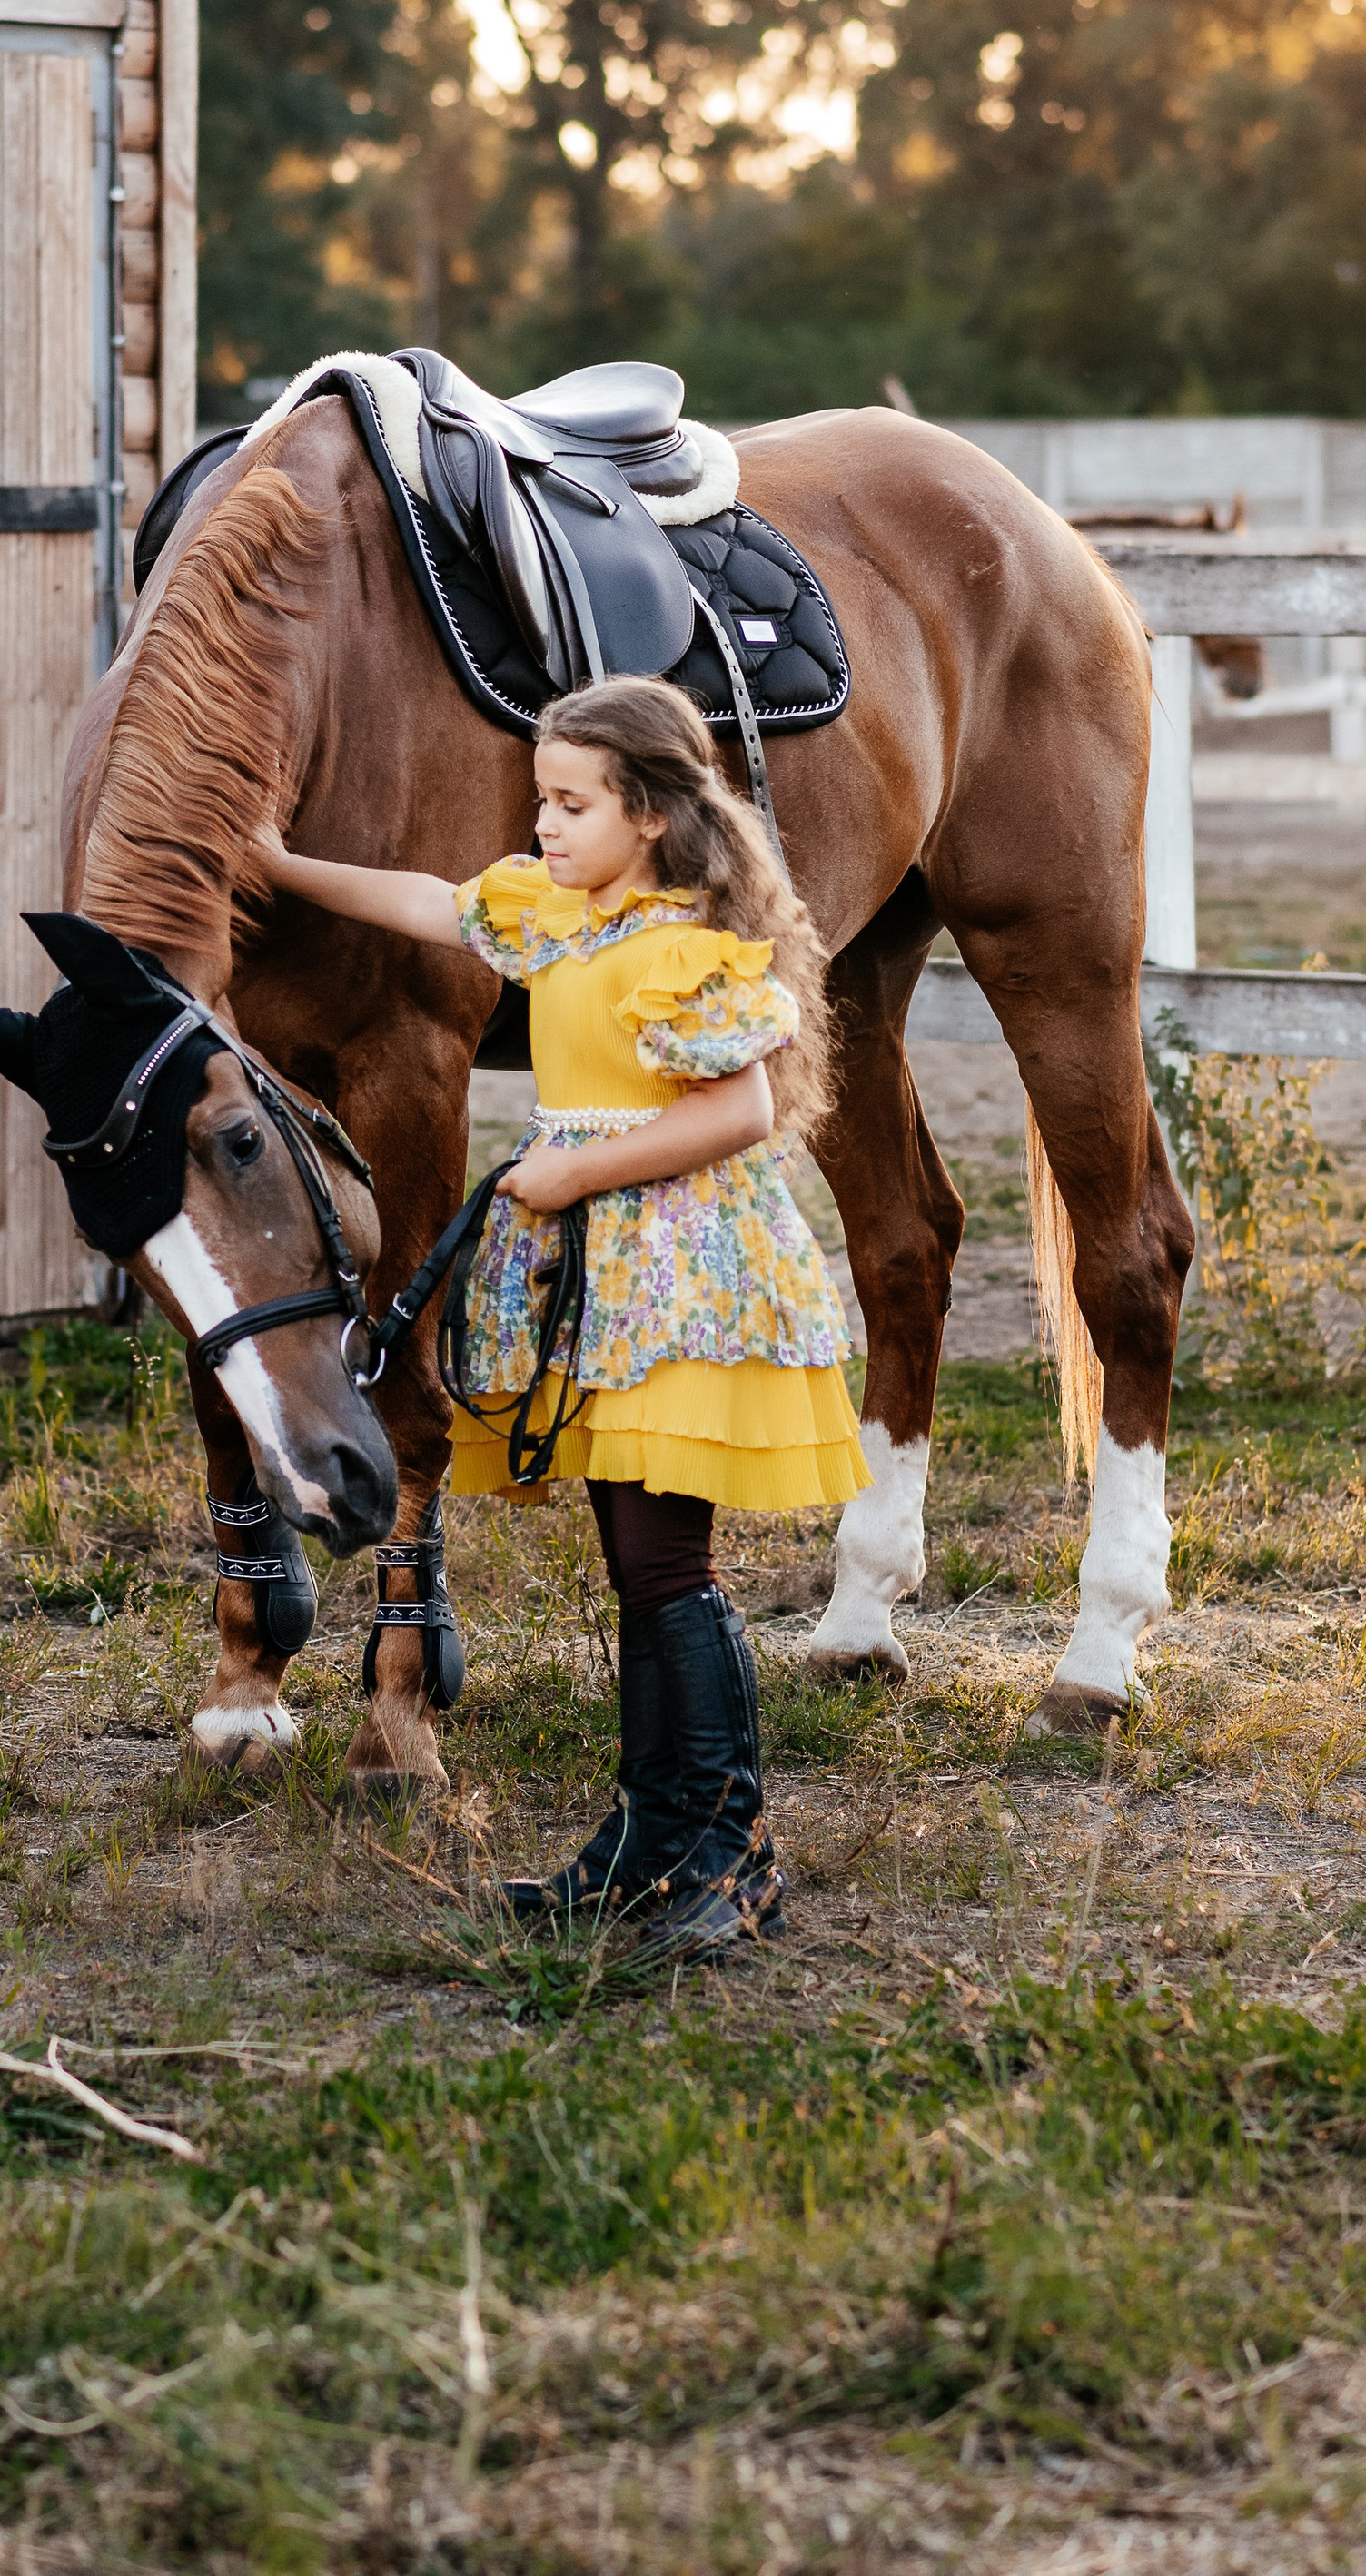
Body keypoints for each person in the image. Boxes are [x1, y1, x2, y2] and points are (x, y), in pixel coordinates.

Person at [253, 676, 865, 1960]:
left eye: (571, 804)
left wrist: (575, 1169)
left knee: (670, 1571)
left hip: (678, 1280)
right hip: (597, 1285)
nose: (544, 824)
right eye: (541, 800)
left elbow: (744, 1112)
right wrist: (282, 865)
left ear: (647, 813)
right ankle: (653, 1842)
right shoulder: (563, 917)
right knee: (639, 1569)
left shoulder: (682, 949)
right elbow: (431, 902)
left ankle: (731, 1855)